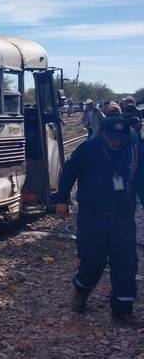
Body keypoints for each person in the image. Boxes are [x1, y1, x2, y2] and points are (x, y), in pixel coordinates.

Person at [52, 117, 144, 326]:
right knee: (93, 261)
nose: (116, 142)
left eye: (120, 138)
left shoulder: (135, 151)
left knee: (127, 264)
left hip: (122, 218)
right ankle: (81, 291)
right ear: (102, 133)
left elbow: (141, 181)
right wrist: (62, 200)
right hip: (91, 217)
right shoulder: (87, 149)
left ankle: (122, 311)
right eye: (112, 138)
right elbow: (68, 173)